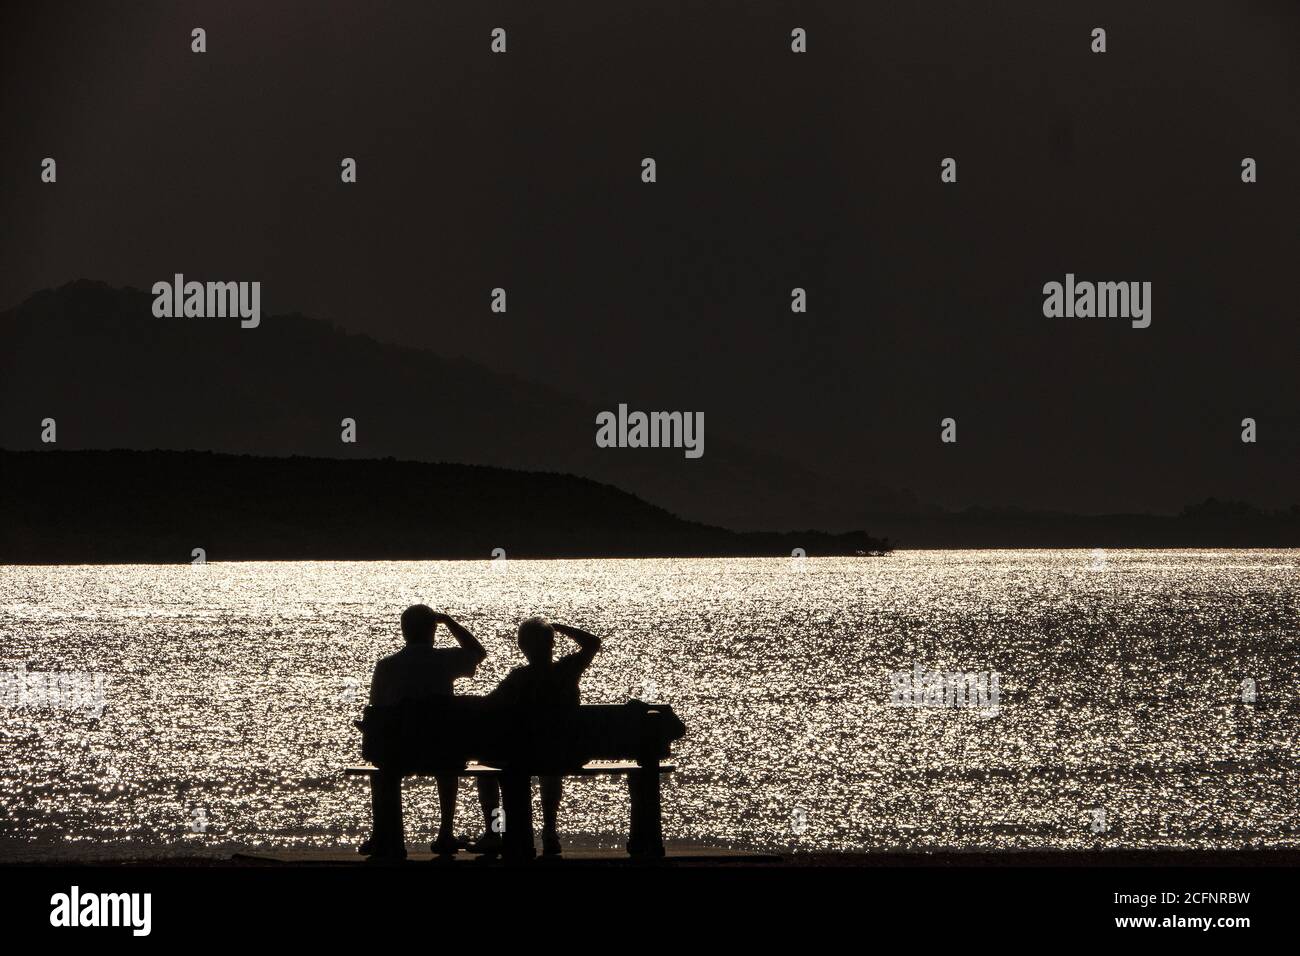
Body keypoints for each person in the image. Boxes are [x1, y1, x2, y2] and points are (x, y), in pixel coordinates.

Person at [364, 604, 486, 860]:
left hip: (399, 752)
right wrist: (450, 622)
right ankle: (445, 832)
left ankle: (384, 836)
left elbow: (377, 710)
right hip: (442, 751)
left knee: (382, 767)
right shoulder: (446, 660)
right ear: (433, 630)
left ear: (403, 631)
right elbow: (478, 652)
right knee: (447, 758)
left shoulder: (386, 666)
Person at [473, 616, 601, 858]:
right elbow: (593, 642)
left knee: (486, 770)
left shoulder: (518, 678)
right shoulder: (567, 670)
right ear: (551, 644)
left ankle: (494, 831)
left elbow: (488, 705)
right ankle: (550, 830)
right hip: (565, 753)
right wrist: (561, 628)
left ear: (523, 647)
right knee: (550, 764)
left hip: (523, 755)